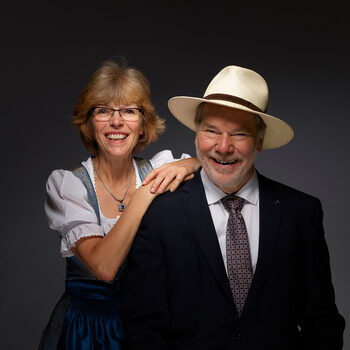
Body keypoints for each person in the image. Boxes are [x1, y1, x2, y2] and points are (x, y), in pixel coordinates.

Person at [122, 65, 345, 349]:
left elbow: (322, 322)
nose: (223, 146)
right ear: (196, 135)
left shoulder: (301, 214)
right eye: (211, 131)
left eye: (239, 134)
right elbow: (143, 327)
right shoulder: (161, 214)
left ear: (260, 140)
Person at [38, 60, 200, 350]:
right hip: (87, 332)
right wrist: (143, 194)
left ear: (143, 125)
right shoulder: (67, 186)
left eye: (128, 111)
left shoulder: (160, 166)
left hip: (152, 327)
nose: (116, 122)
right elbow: (104, 266)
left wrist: (192, 162)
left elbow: (213, 167)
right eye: (103, 111)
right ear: (88, 123)